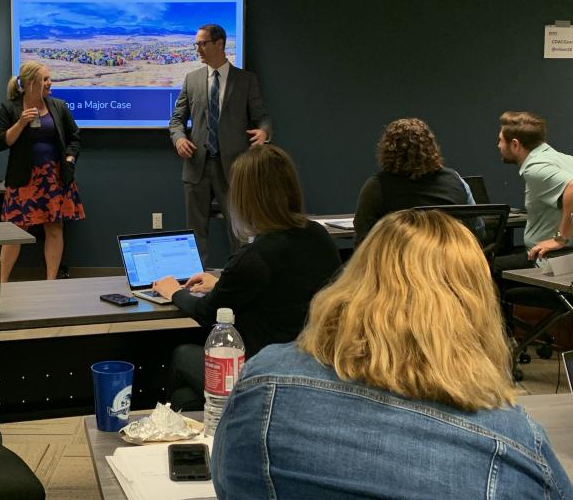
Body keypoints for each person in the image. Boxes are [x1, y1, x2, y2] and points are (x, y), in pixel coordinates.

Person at [212, 210, 573, 499]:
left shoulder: (263, 385)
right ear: (473, 307)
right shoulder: (515, 445)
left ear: (354, 281)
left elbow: (228, 483)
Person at [152, 144, 341, 410]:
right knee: (186, 397)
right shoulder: (318, 236)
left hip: (261, 371)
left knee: (183, 355)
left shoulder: (254, 256)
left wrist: (174, 291)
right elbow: (282, 288)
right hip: (313, 368)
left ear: (245, 198)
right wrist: (221, 284)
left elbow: (207, 312)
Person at [168, 23, 271, 265]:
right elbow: (176, 120)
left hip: (234, 169)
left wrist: (264, 133)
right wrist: (179, 138)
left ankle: (242, 278)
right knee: (195, 234)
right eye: (197, 44)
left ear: (220, 44)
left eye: (202, 43)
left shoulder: (245, 80)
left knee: (240, 231)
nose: (198, 49)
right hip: (196, 168)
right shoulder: (191, 80)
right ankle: (196, 286)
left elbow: (262, 117)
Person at [0, 61, 84, 281]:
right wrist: (21, 122)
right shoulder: (10, 108)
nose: (49, 82)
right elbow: (0, 142)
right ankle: (1, 283)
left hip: (54, 178)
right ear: (31, 83)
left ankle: (50, 282)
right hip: (23, 178)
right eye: (44, 79)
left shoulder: (58, 106)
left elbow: (75, 138)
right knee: (14, 232)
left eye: (48, 78)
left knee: (54, 228)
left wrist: (70, 160)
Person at [353, 117, 473, 244]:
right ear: (431, 148)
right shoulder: (455, 180)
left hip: (397, 261)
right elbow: (476, 228)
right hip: (449, 260)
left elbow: (363, 237)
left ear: (387, 151)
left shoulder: (377, 187)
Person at [497, 111, 573, 262]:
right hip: (565, 256)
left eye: (501, 140)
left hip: (549, 259)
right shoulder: (564, 159)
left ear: (515, 144)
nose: (498, 145)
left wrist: (560, 239)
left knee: (489, 267)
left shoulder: (534, 167)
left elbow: (572, 188)